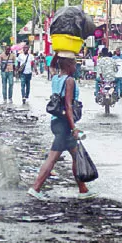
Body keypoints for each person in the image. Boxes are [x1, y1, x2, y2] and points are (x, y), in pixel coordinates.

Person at [28, 53, 98, 201]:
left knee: (75, 155)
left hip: (56, 122)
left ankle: (83, 189)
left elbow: (52, 65)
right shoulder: (69, 80)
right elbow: (68, 105)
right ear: (68, 66)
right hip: (65, 125)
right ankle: (36, 188)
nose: (75, 67)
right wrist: (74, 128)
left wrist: (58, 52)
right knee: (52, 158)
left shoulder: (55, 78)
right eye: (73, 64)